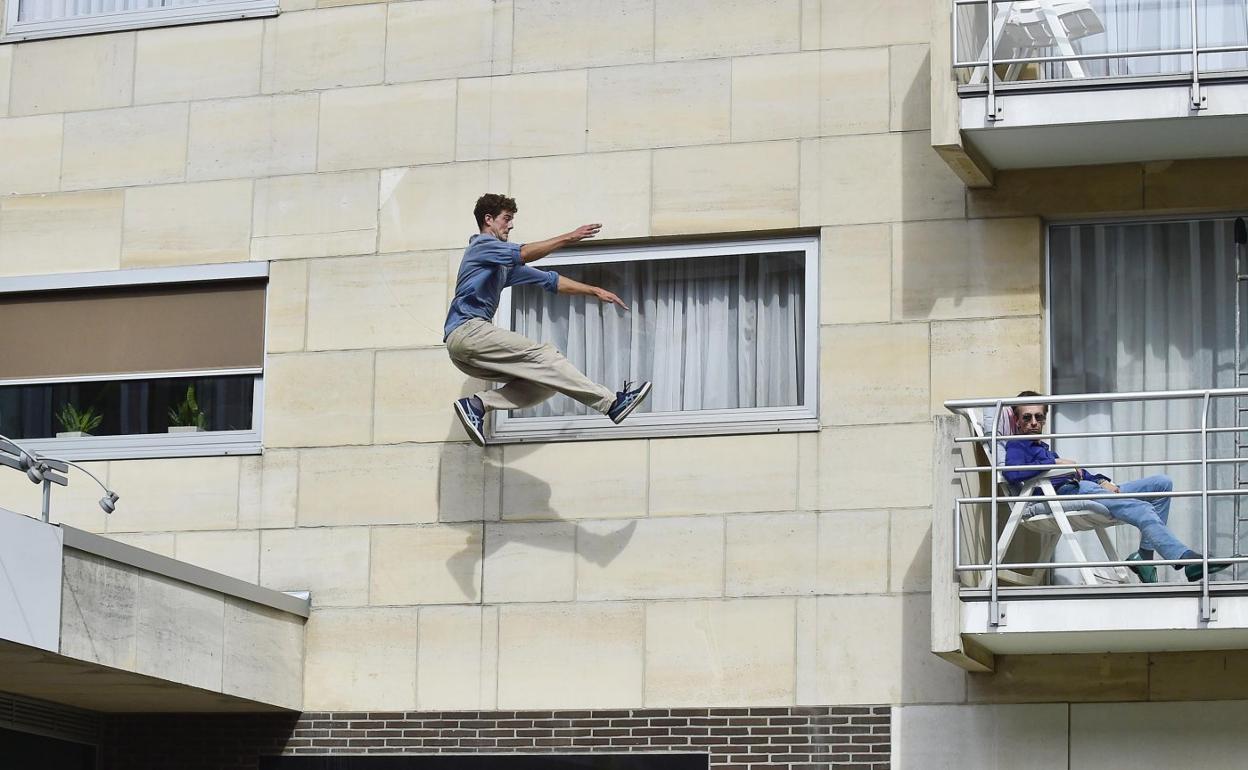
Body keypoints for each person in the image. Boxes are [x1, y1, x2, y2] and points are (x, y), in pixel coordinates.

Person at [443, 193, 652, 447]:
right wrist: (568, 237)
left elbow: (549, 280)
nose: (511, 225)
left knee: (546, 381)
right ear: (489, 220)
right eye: (506, 219)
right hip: (469, 331)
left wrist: (594, 291)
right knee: (547, 356)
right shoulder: (482, 247)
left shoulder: (500, 265)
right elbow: (524, 253)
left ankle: (477, 404)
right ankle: (611, 404)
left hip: (465, 351)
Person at [1004, 390, 1227, 583]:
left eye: (1038, 417)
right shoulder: (1017, 446)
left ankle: (1144, 558)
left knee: (1161, 484)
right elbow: (1012, 472)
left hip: (1085, 487)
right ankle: (1184, 559)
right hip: (1064, 495)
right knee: (1142, 509)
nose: (1033, 422)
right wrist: (1053, 463)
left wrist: (1100, 480)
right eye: (1027, 417)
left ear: (1044, 420)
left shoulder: (1042, 447)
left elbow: (1079, 472)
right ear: (1017, 421)